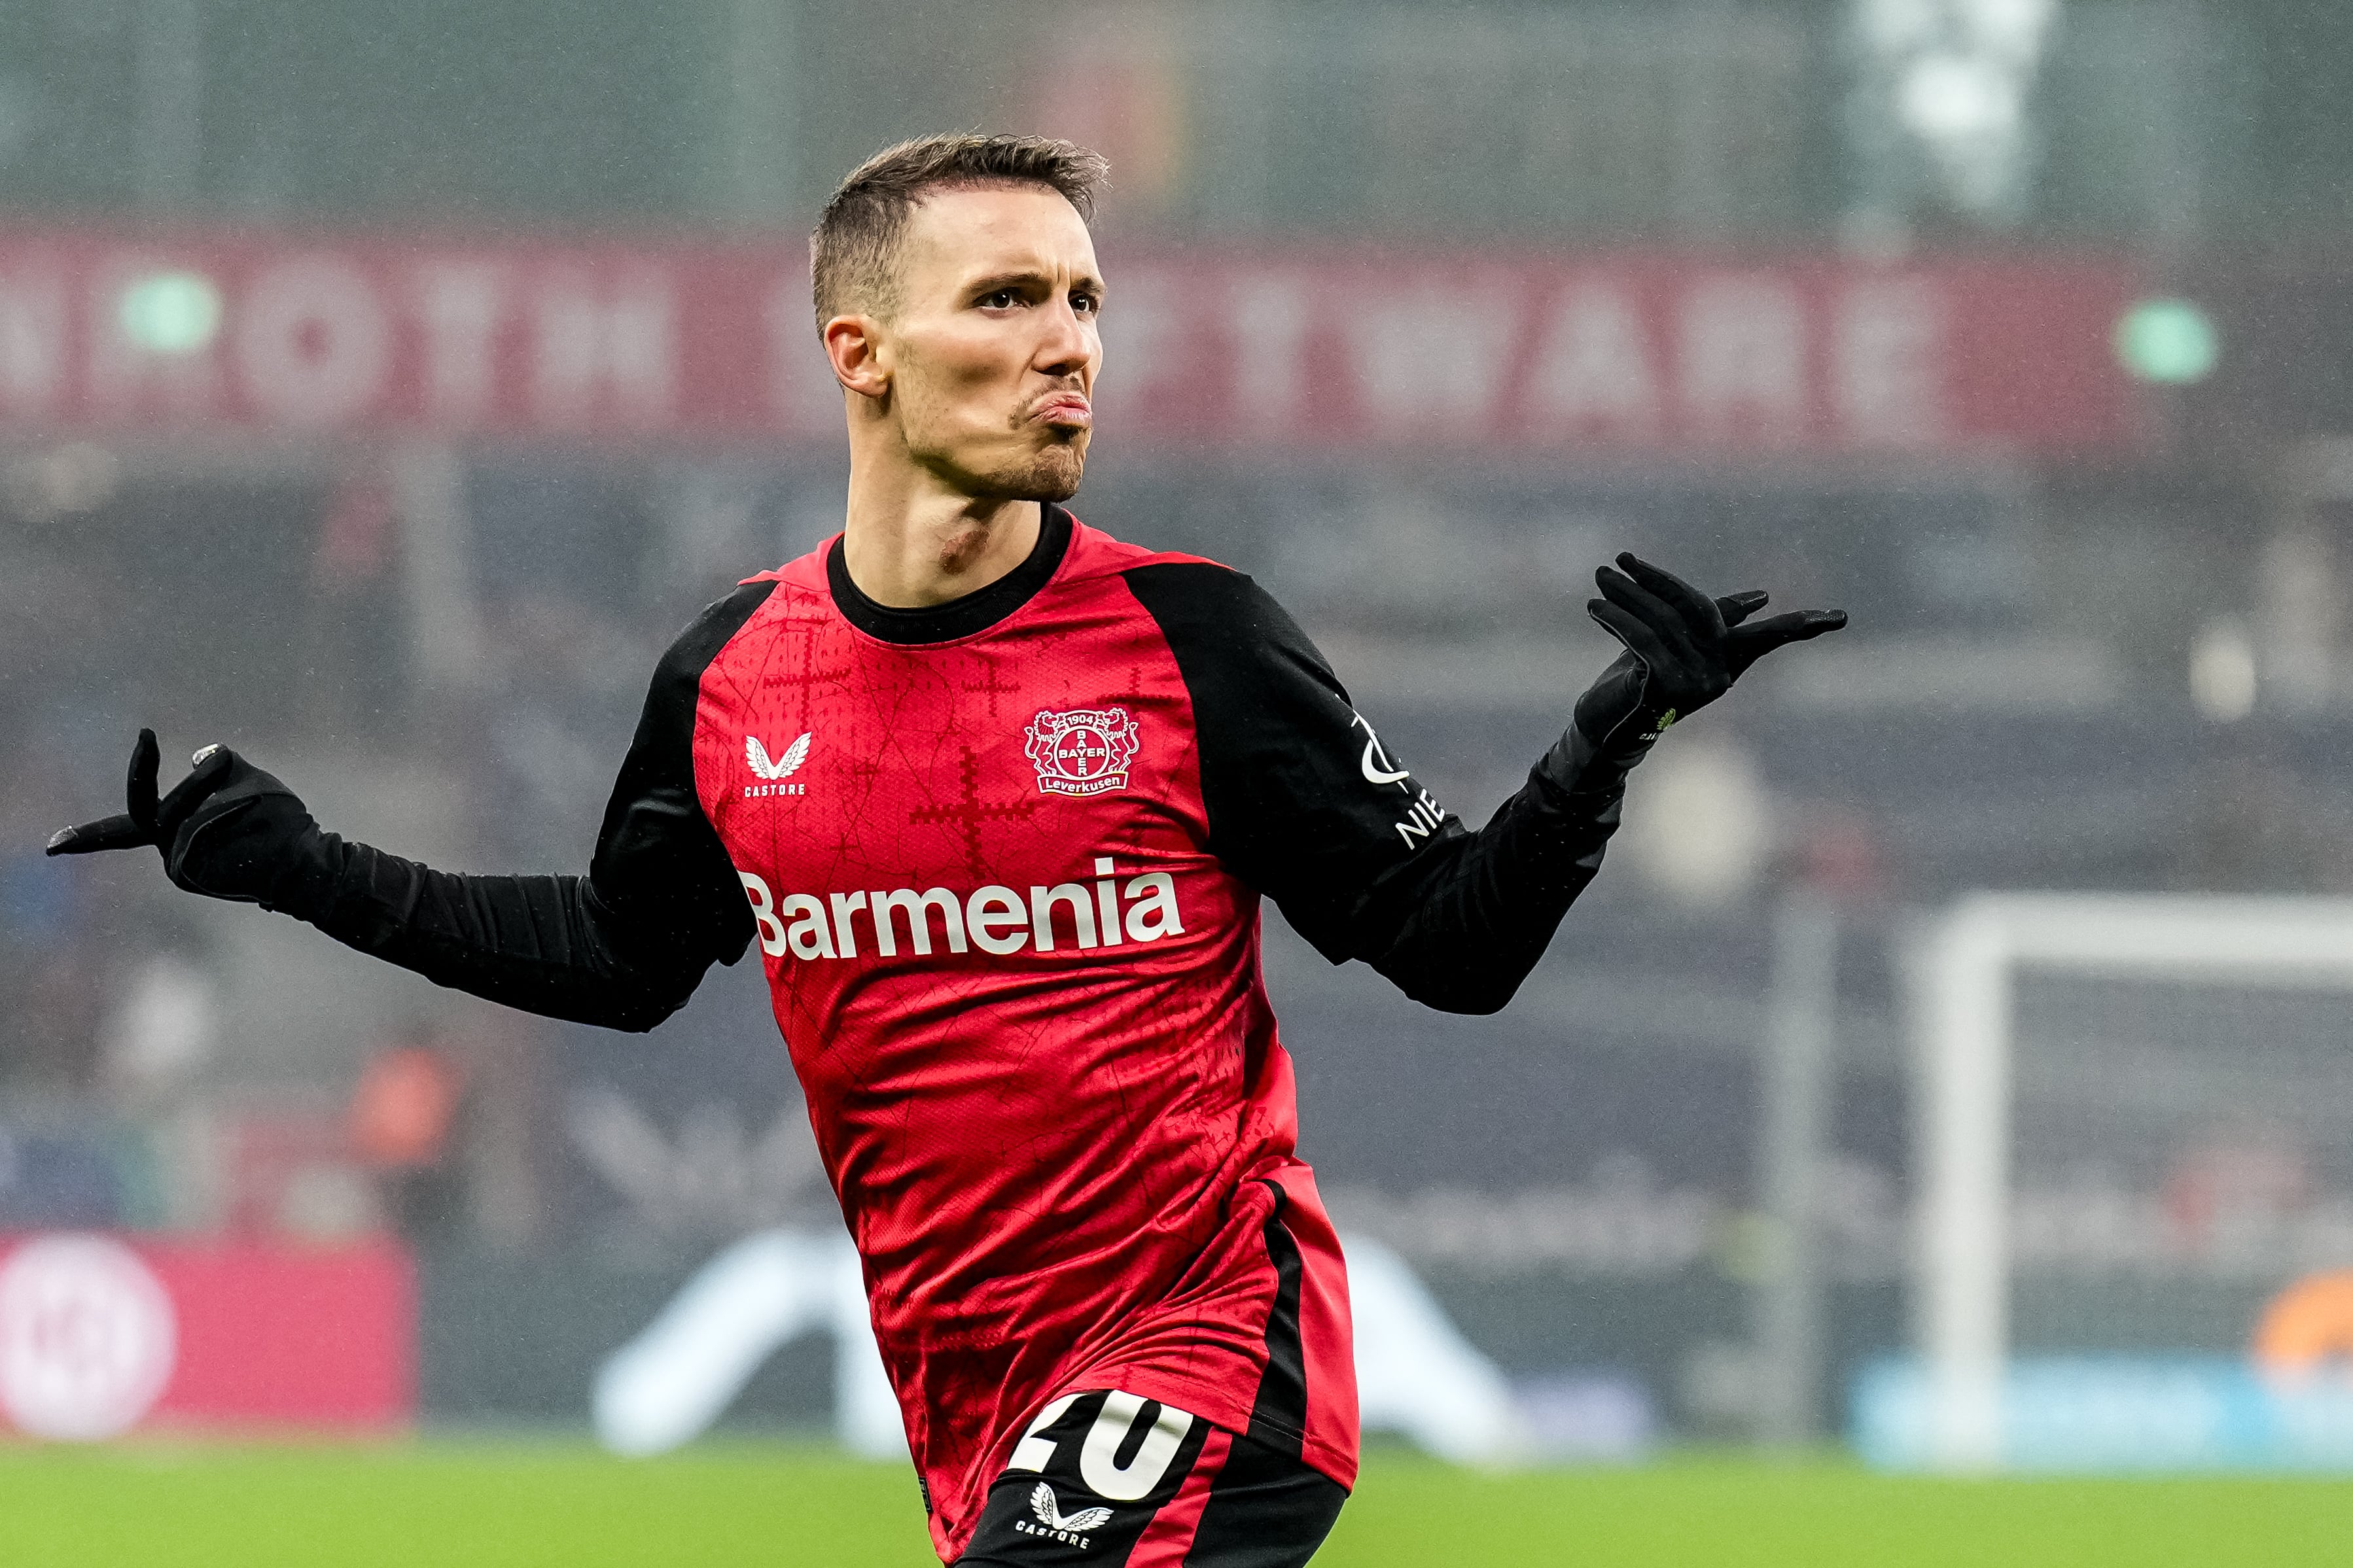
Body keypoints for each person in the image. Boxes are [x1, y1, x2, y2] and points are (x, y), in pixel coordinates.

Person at [46, 134, 1844, 1565]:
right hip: (972, 1402)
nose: (1068, 341)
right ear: (863, 351)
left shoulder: (1198, 641)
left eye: (1083, 299)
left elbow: (1451, 946)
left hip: (1212, 1346)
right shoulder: (733, 677)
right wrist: (297, 866)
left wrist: (1610, 739)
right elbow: (618, 954)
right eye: (1006, 297)